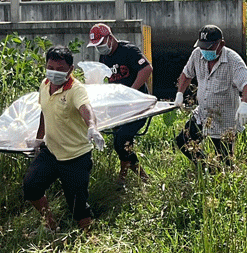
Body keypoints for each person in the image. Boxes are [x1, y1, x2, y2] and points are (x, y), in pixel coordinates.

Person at [23, 45, 105, 232]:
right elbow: (45, 111)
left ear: (70, 70)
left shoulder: (76, 89)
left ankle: (89, 240)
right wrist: (39, 139)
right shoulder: (44, 85)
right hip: (51, 151)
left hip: (76, 156)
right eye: (51, 67)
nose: (54, 73)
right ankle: (51, 225)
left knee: (78, 205)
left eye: (60, 69)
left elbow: (86, 109)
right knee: (31, 187)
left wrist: (92, 126)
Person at [173, 24, 247, 164]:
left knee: (225, 160)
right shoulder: (197, 54)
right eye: (202, 46)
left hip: (224, 120)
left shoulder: (233, 60)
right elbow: (186, 74)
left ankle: (219, 173)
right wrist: (179, 94)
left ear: (221, 44)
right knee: (184, 142)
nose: (205, 50)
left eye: (209, 47)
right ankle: (208, 169)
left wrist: (245, 104)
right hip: (202, 115)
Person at [87, 22, 153, 185]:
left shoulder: (128, 51)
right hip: (119, 107)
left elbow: (146, 69)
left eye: (101, 44)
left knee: (121, 139)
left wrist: (130, 93)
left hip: (137, 105)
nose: (100, 48)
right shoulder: (104, 56)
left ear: (110, 38)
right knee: (122, 143)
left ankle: (126, 178)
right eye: (96, 45)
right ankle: (140, 178)